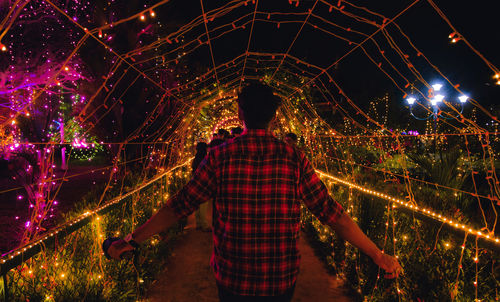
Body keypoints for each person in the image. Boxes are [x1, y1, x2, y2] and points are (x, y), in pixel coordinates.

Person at [108, 82, 402, 301]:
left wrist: (131, 240)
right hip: (280, 278)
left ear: (240, 113)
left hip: (233, 278)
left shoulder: (219, 157)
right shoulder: (294, 157)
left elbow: (179, 205)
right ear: (274, 116)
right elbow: (331, 214)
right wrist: (377, 254)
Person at [192, 142, 210, 231]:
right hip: (203, 183)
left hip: (195, 182)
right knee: (203, 203)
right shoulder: (204, 158)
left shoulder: (196, 158)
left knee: (197, 203)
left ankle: (198, 223)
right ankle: (204, 225)